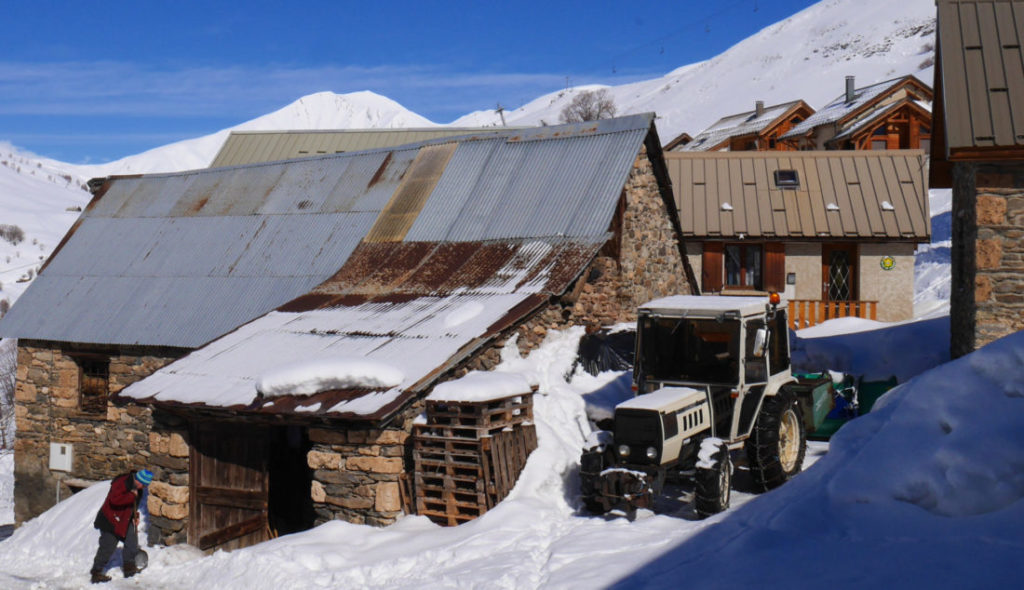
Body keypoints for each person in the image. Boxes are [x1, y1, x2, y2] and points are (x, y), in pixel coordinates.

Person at [90, 469, 152, 584]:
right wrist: (131, 496)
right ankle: (96, 572)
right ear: (138, 480)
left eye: (144, 486)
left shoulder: (138, 489)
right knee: (107, 547)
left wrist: (135, 516)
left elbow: (133, 505)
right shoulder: (122, 483)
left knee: (132, 542)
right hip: (111, 519)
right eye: (142, 485)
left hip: (126, 518)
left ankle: (129, 568)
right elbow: (115, 500)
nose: (142, 488)